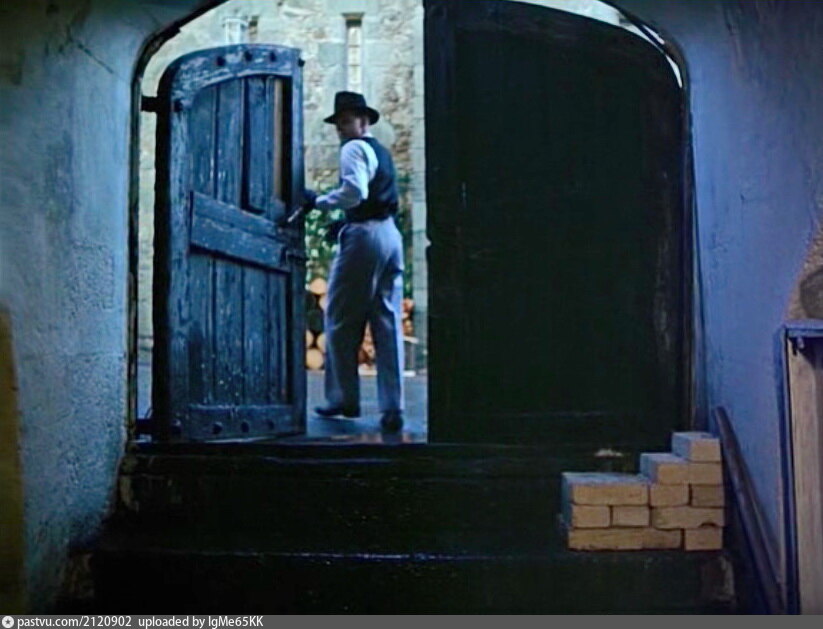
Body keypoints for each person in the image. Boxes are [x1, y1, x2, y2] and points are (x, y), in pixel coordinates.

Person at [303, 91, 405, 432]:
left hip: (365, 236)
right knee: (387, 320)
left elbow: (355, 192)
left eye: (347, 121)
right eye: (340, 123)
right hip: (390, 235)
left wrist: (318, 202)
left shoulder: (353, 149)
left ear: (363, 121)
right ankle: (393, 407)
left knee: (341, 317)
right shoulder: (381, 152)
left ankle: (342, 398)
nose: (342, 129)